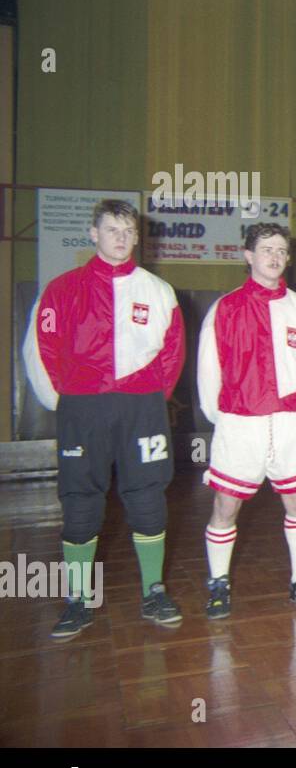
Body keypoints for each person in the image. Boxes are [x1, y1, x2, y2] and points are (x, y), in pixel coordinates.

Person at [22, 199, 185, 638]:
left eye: (128, 230)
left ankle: (153, 590)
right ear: (93, 234)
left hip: (142, 408)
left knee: (148, 497)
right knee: (79, 501)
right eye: (112, 229)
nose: (120, 237)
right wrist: (69, 402)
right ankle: (77, 599)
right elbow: (41, 349)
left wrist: (149, 398)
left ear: (137, 237)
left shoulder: (158, 291)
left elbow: (172, 356)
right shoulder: (60, 289)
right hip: (82, 408)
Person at [197, 223, 296, 618]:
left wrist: (293, 406)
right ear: (248, 256)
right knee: (226, 505)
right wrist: (228, 419)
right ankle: (219, 583)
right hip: (240, 423)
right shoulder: (225, 307)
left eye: (281, 250)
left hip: (290, 423)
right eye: (266, 249)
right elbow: (208, 373)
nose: (275, 256)